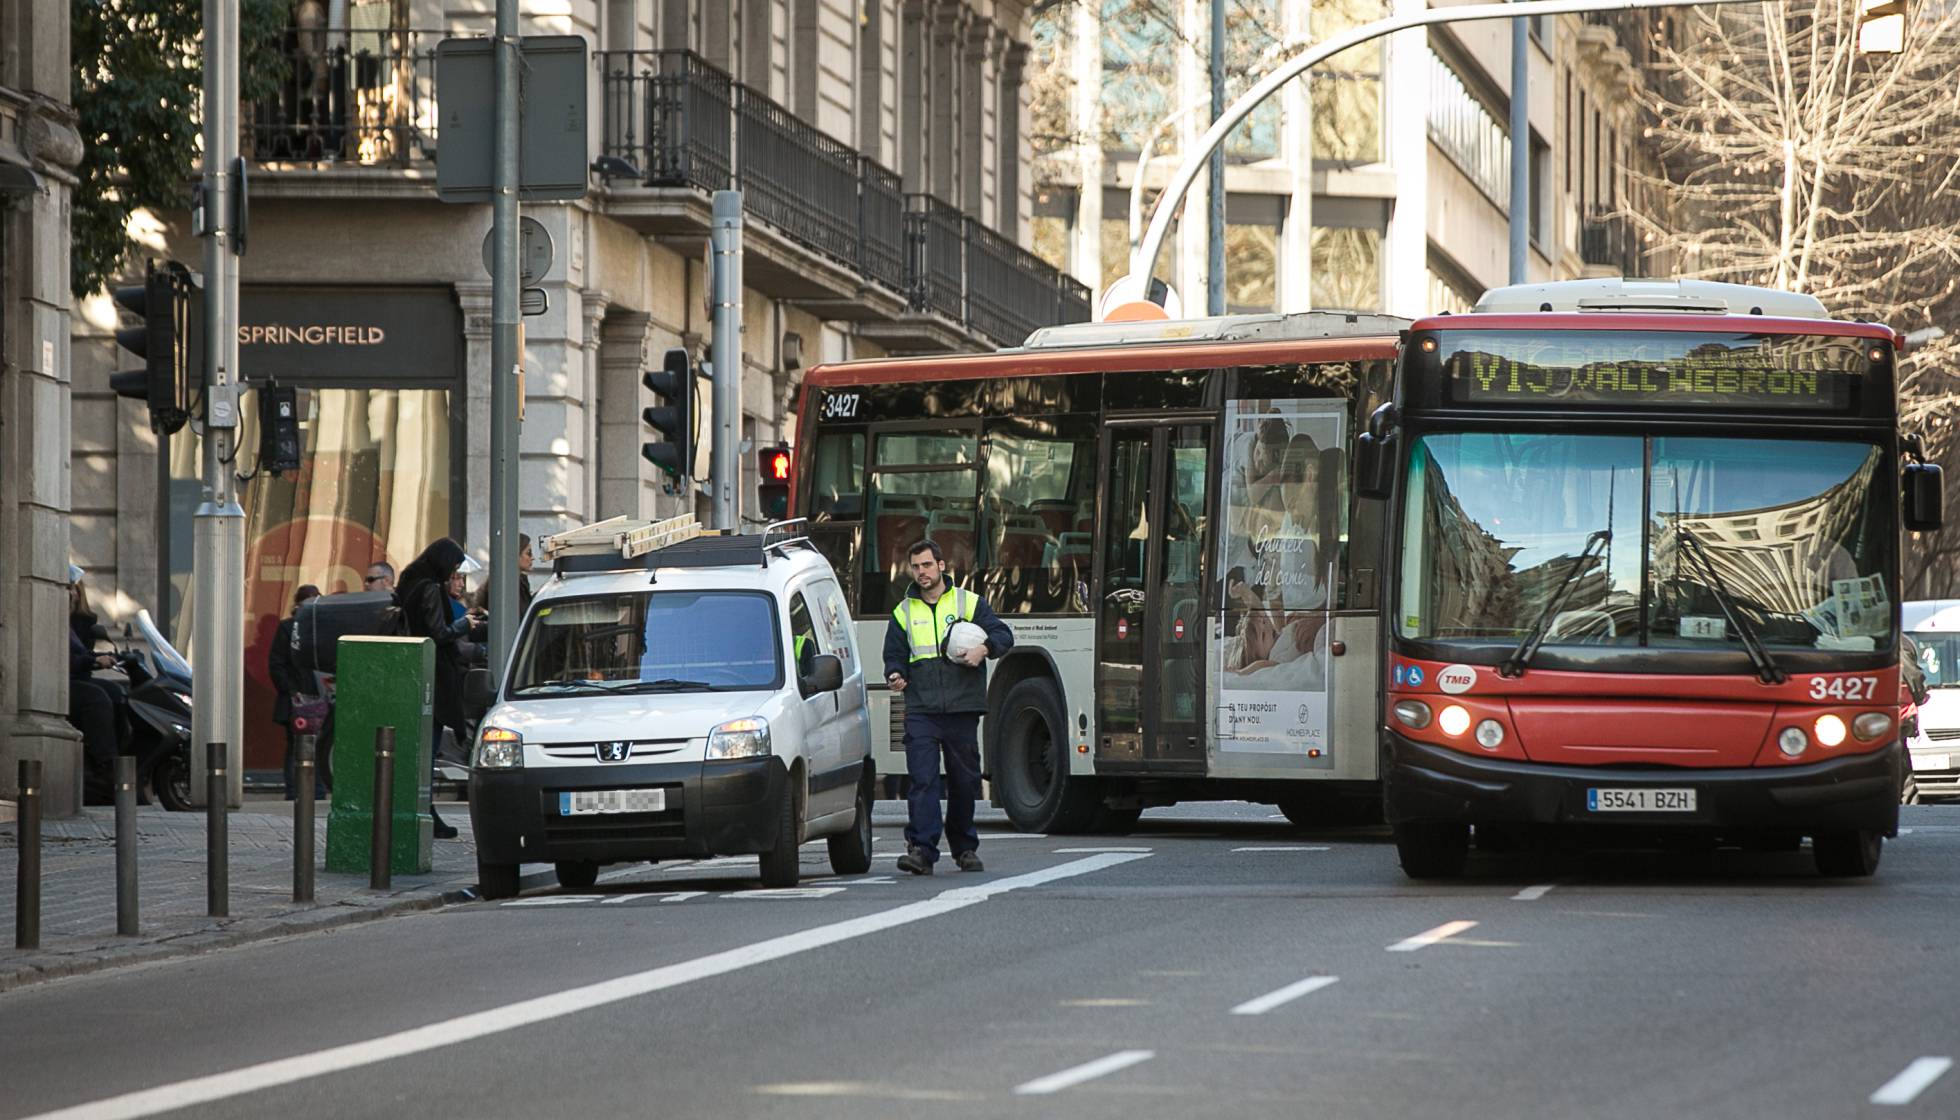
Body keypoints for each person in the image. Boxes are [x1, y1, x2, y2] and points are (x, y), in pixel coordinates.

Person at [883, 538, 1014, 875]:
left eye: (927, 565)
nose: (921, 572)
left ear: (941, 565)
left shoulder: (968, 603)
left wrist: (982, 649)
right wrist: (895, 674)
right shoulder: (903, 611)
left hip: (961, 708)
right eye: (916, 567)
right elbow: (894, 655)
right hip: (921, 708)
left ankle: (964, 848)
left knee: (962, 782)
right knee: (923, 780)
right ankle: (922, 851)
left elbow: (1003, 635)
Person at [397, 539, 485, 839]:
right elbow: (439, 633)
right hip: (433, 674)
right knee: (429, 747)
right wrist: (466, 625)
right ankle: (425, 812)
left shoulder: (410, 582)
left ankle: (421, 812)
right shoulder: (431, 588)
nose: (454, 575)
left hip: (413, 671)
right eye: (454, 568)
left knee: (422, 747)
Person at [67, 568, 124, 804]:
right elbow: (64, 659)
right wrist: (92, 661)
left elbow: (79, 652)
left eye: (74, 590)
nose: (72, 595)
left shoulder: (73, 622)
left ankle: (122, 759)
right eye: (68, 589)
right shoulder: (51, 618)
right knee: (96, 697)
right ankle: (105, 764)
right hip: (61, 683)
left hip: (76, 677)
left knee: (116, 692)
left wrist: (100, 657)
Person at [269, 584, 322, 800]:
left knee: (317, 745)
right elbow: (276, 663)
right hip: (296, 698)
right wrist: (291, 691)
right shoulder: (288, 628)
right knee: (295, 746)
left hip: (318, 696)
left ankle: (316, 790)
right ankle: (293, 791)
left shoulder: (321, 628)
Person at [473, 532, 536, 616]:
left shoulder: (516, 582)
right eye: (529, 553)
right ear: (515, 555)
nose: (533, 557)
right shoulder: (506, 585)